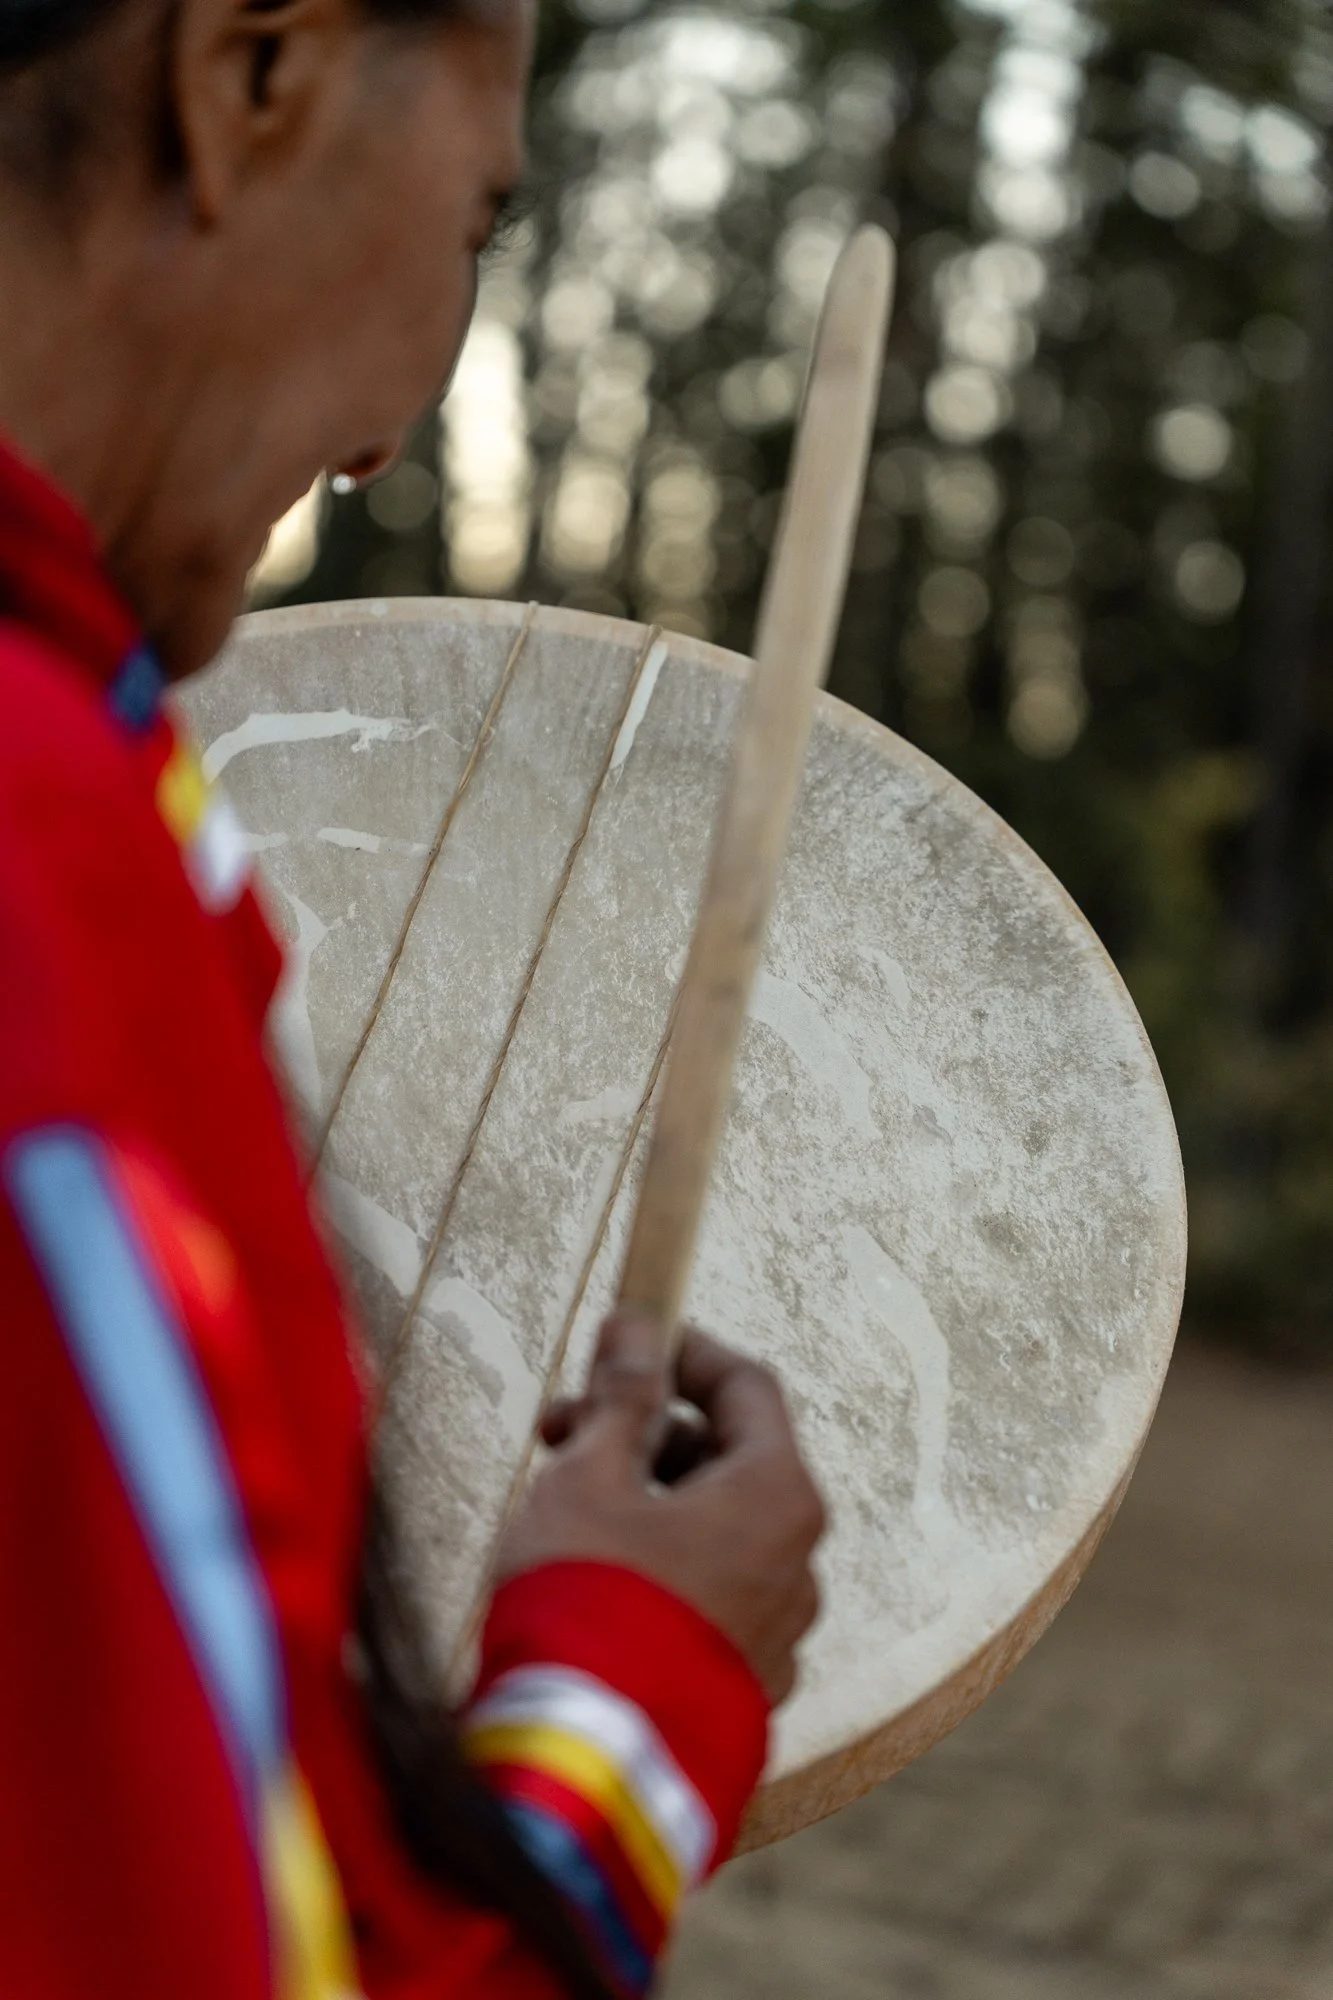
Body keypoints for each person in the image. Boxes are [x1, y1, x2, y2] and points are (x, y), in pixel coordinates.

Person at [0, 1, 826, 1997]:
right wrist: (627, 1698)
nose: (385, 436)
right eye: (473, 222)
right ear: (250, 72)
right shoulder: (39, 868)